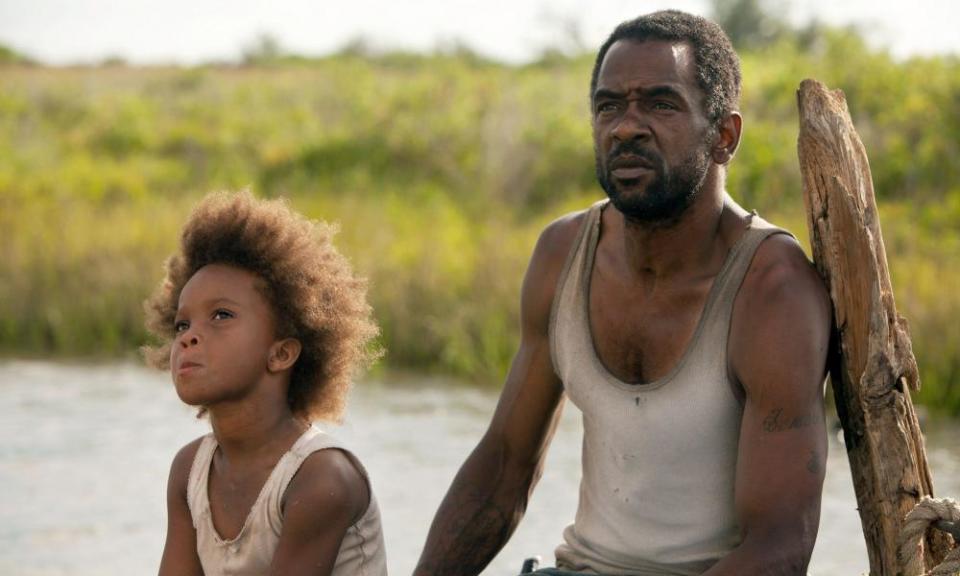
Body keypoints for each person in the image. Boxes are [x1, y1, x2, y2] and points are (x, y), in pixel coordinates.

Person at [415, 10, 831, 576]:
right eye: (609, 106)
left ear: (724, 137)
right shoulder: (563, 253)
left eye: (660, 104)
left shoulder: (771, 290)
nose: (626, 127)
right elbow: (504, 468)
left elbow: (778, 549)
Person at [145, 191, 387, 576]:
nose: (189, 337)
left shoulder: (321, 477)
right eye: (182, 324)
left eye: (221, 315)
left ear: (281, 354)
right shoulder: (190, 470)